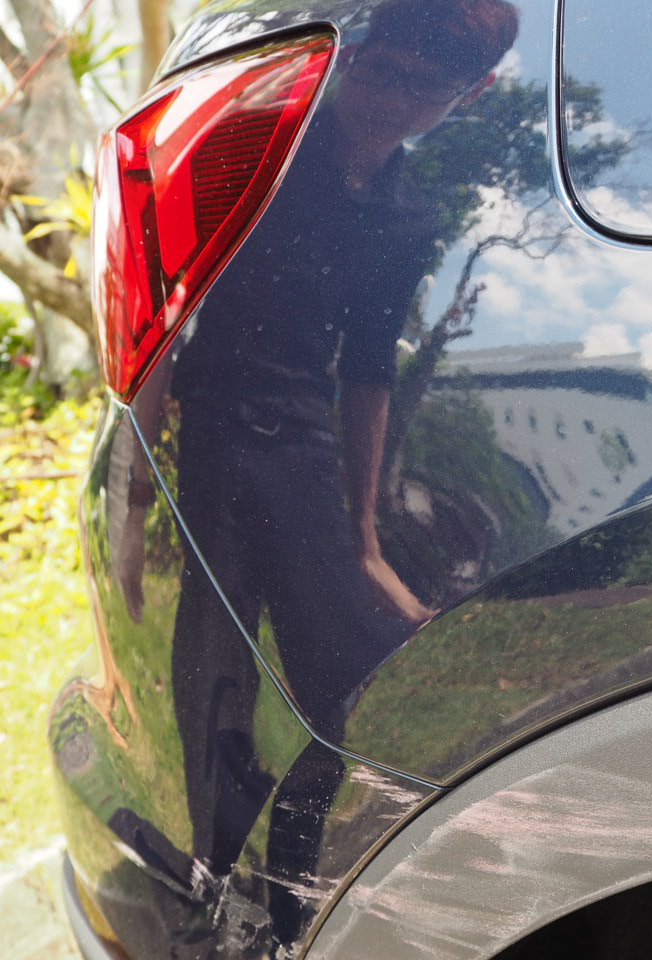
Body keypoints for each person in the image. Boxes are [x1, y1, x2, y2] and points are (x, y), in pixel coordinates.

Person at [117, 0, 520, 950]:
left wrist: (366, 538)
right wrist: (136, 496)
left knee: (340, 676)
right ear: (358, 56)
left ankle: (294, 883)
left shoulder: (409, 214)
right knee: (214, 669)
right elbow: (167, 304)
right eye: (382, 71)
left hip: (303, 443)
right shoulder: (271, 153)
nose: (392, 98)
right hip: (214, 430)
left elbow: (370, 369)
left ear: (464, 97)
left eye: (423, 87)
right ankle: (214, 892)